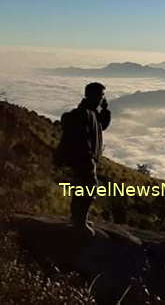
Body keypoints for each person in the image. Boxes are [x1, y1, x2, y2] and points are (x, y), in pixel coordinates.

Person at [68, 81, 111, 237]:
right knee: (88, 188)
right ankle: (80, 223)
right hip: (85, 159)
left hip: (86, 158)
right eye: (100, 95)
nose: (101, 98)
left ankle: (78, 219)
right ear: (93, 95)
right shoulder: (84, 113)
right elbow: (82, 138)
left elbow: (102, 126)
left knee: (81, 188)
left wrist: (105, 109)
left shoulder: (91, 112)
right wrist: (87, 157)